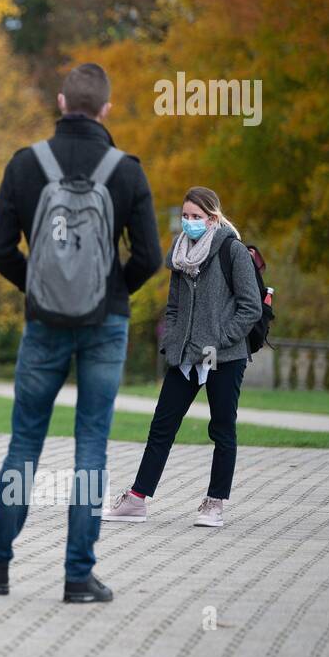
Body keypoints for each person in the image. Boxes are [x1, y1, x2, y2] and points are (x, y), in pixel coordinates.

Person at [0, 62, 162, 603]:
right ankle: (78, 577)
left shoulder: (25, 164)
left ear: (62, 101)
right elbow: (150, 258)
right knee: (92, 446)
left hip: (43, 325)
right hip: (105, 325)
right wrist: (110, 291)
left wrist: (39, 289)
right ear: (106, 109)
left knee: (25, 443)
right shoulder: (127, 170)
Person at [102, 187, 261, 528]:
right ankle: (137, 499)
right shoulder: (179, 252)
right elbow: (174, 306)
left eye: (196, 217)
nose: (189, 223)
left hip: (224, 356)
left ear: (212, 218)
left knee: (221, 428)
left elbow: (251, 307)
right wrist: (173, 340)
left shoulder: (232, 251)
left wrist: (220, 341)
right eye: (186, 217)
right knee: (162, 426)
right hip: (185, 355)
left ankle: (215, 502)